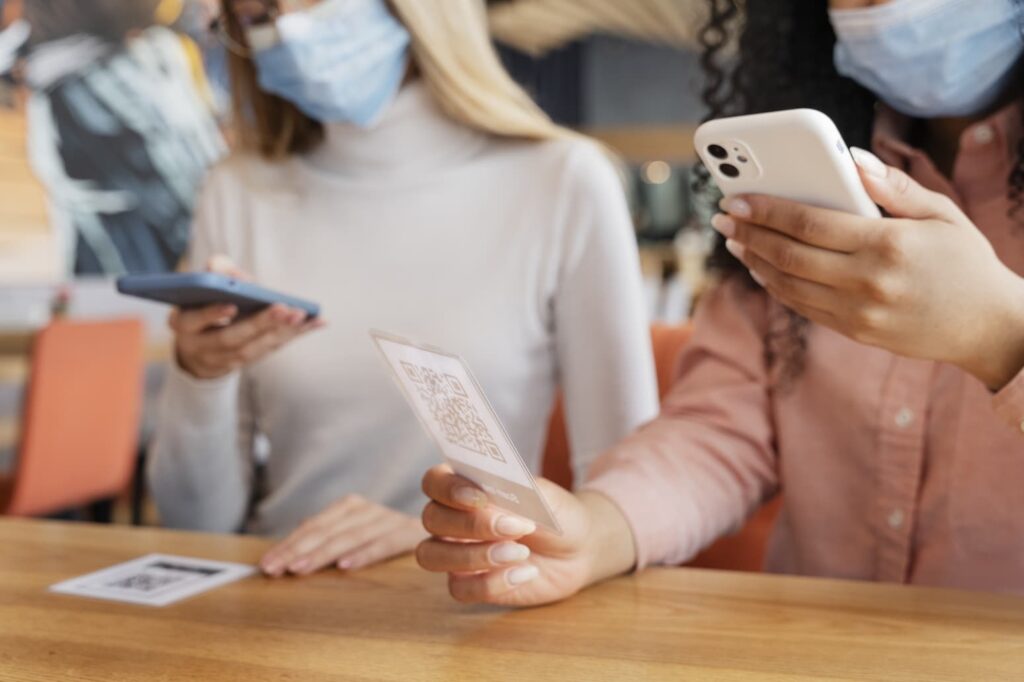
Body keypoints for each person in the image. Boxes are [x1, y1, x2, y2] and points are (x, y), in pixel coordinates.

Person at [417, 0, 1024, 605]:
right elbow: (721, 427)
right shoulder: (819, 169)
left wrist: (1000, 336)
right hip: (811, 652)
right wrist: (592, 533)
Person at [148, 0, 658, 576]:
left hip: (473, 603)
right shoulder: (235, 191)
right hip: (277, 595)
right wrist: (200, 377)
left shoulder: (565, 182)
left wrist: (437, 532)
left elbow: (622, 510)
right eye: (257, 12)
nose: (287, 24)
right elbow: (194, 525)